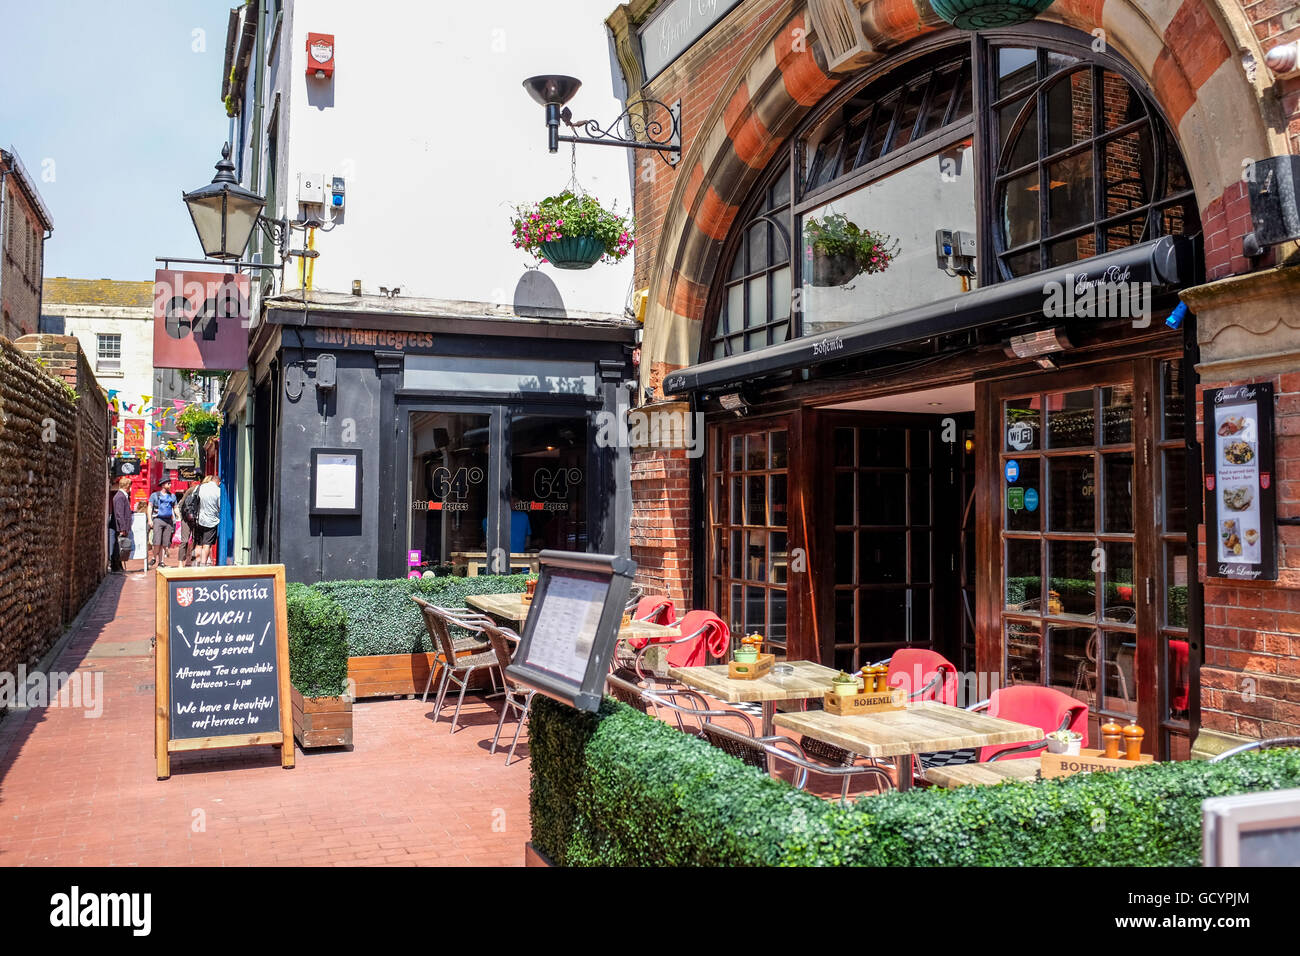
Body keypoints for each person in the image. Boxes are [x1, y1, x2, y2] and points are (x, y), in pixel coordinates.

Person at [148, 478, 178, 569]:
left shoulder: (172, 496)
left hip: (168, 521)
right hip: (158, 520)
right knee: (157, 542)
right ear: (163, 484)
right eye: (168, 483)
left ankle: (161, 562)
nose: (170, 485)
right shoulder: (154, 495)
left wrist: (179, 516)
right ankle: (154, 558)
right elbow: (149, 507)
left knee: (164, 543)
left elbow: (175, 507)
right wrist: (150, 520)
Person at [194, 474, 222, 567]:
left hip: (199, 519)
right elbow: (220, 506)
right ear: (218, 482)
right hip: (211, 521)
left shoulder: (200, 487)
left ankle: (197, 562)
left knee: (199, 543)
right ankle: (203, 563)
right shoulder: (218, 491)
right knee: (207, 544)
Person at [110, 477, 133, 572]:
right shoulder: (120, 497)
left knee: (120, 546)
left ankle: (118, 565)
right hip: (119, 527)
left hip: (121, 526)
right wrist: (123, 527)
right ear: (127, 486)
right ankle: (115, 566)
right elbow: (119, 513)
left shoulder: (122, 496)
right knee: (118, 546)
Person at [176, 481, 201, 567]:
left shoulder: (203, 491)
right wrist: (182, 516)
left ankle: (189, 560)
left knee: (195, 540)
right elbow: (181, 504)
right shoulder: (191, 490)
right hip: (186, 518)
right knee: (185, 540)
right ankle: (180, 561)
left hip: (197, 518)